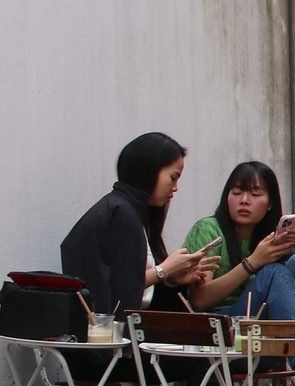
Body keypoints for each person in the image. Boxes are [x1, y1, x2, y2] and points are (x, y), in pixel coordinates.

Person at [180, 161, 295, 382]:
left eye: (255, 194)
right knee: (273, 271)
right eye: (236, 192)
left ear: (270, 203)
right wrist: (252, 263)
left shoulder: (271, 236)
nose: (244, 200)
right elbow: (200, 300)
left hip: (267, 340)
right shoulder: (208, 230)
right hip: (223, 337)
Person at [61, 133, 216, 319]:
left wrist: (171, 277)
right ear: (150, 170)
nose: (175, 187)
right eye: (173, 178)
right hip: (111, 336)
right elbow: (121, 286)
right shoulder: (121, 213)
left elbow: (131, 281)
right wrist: (165, 270)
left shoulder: (127, 210)